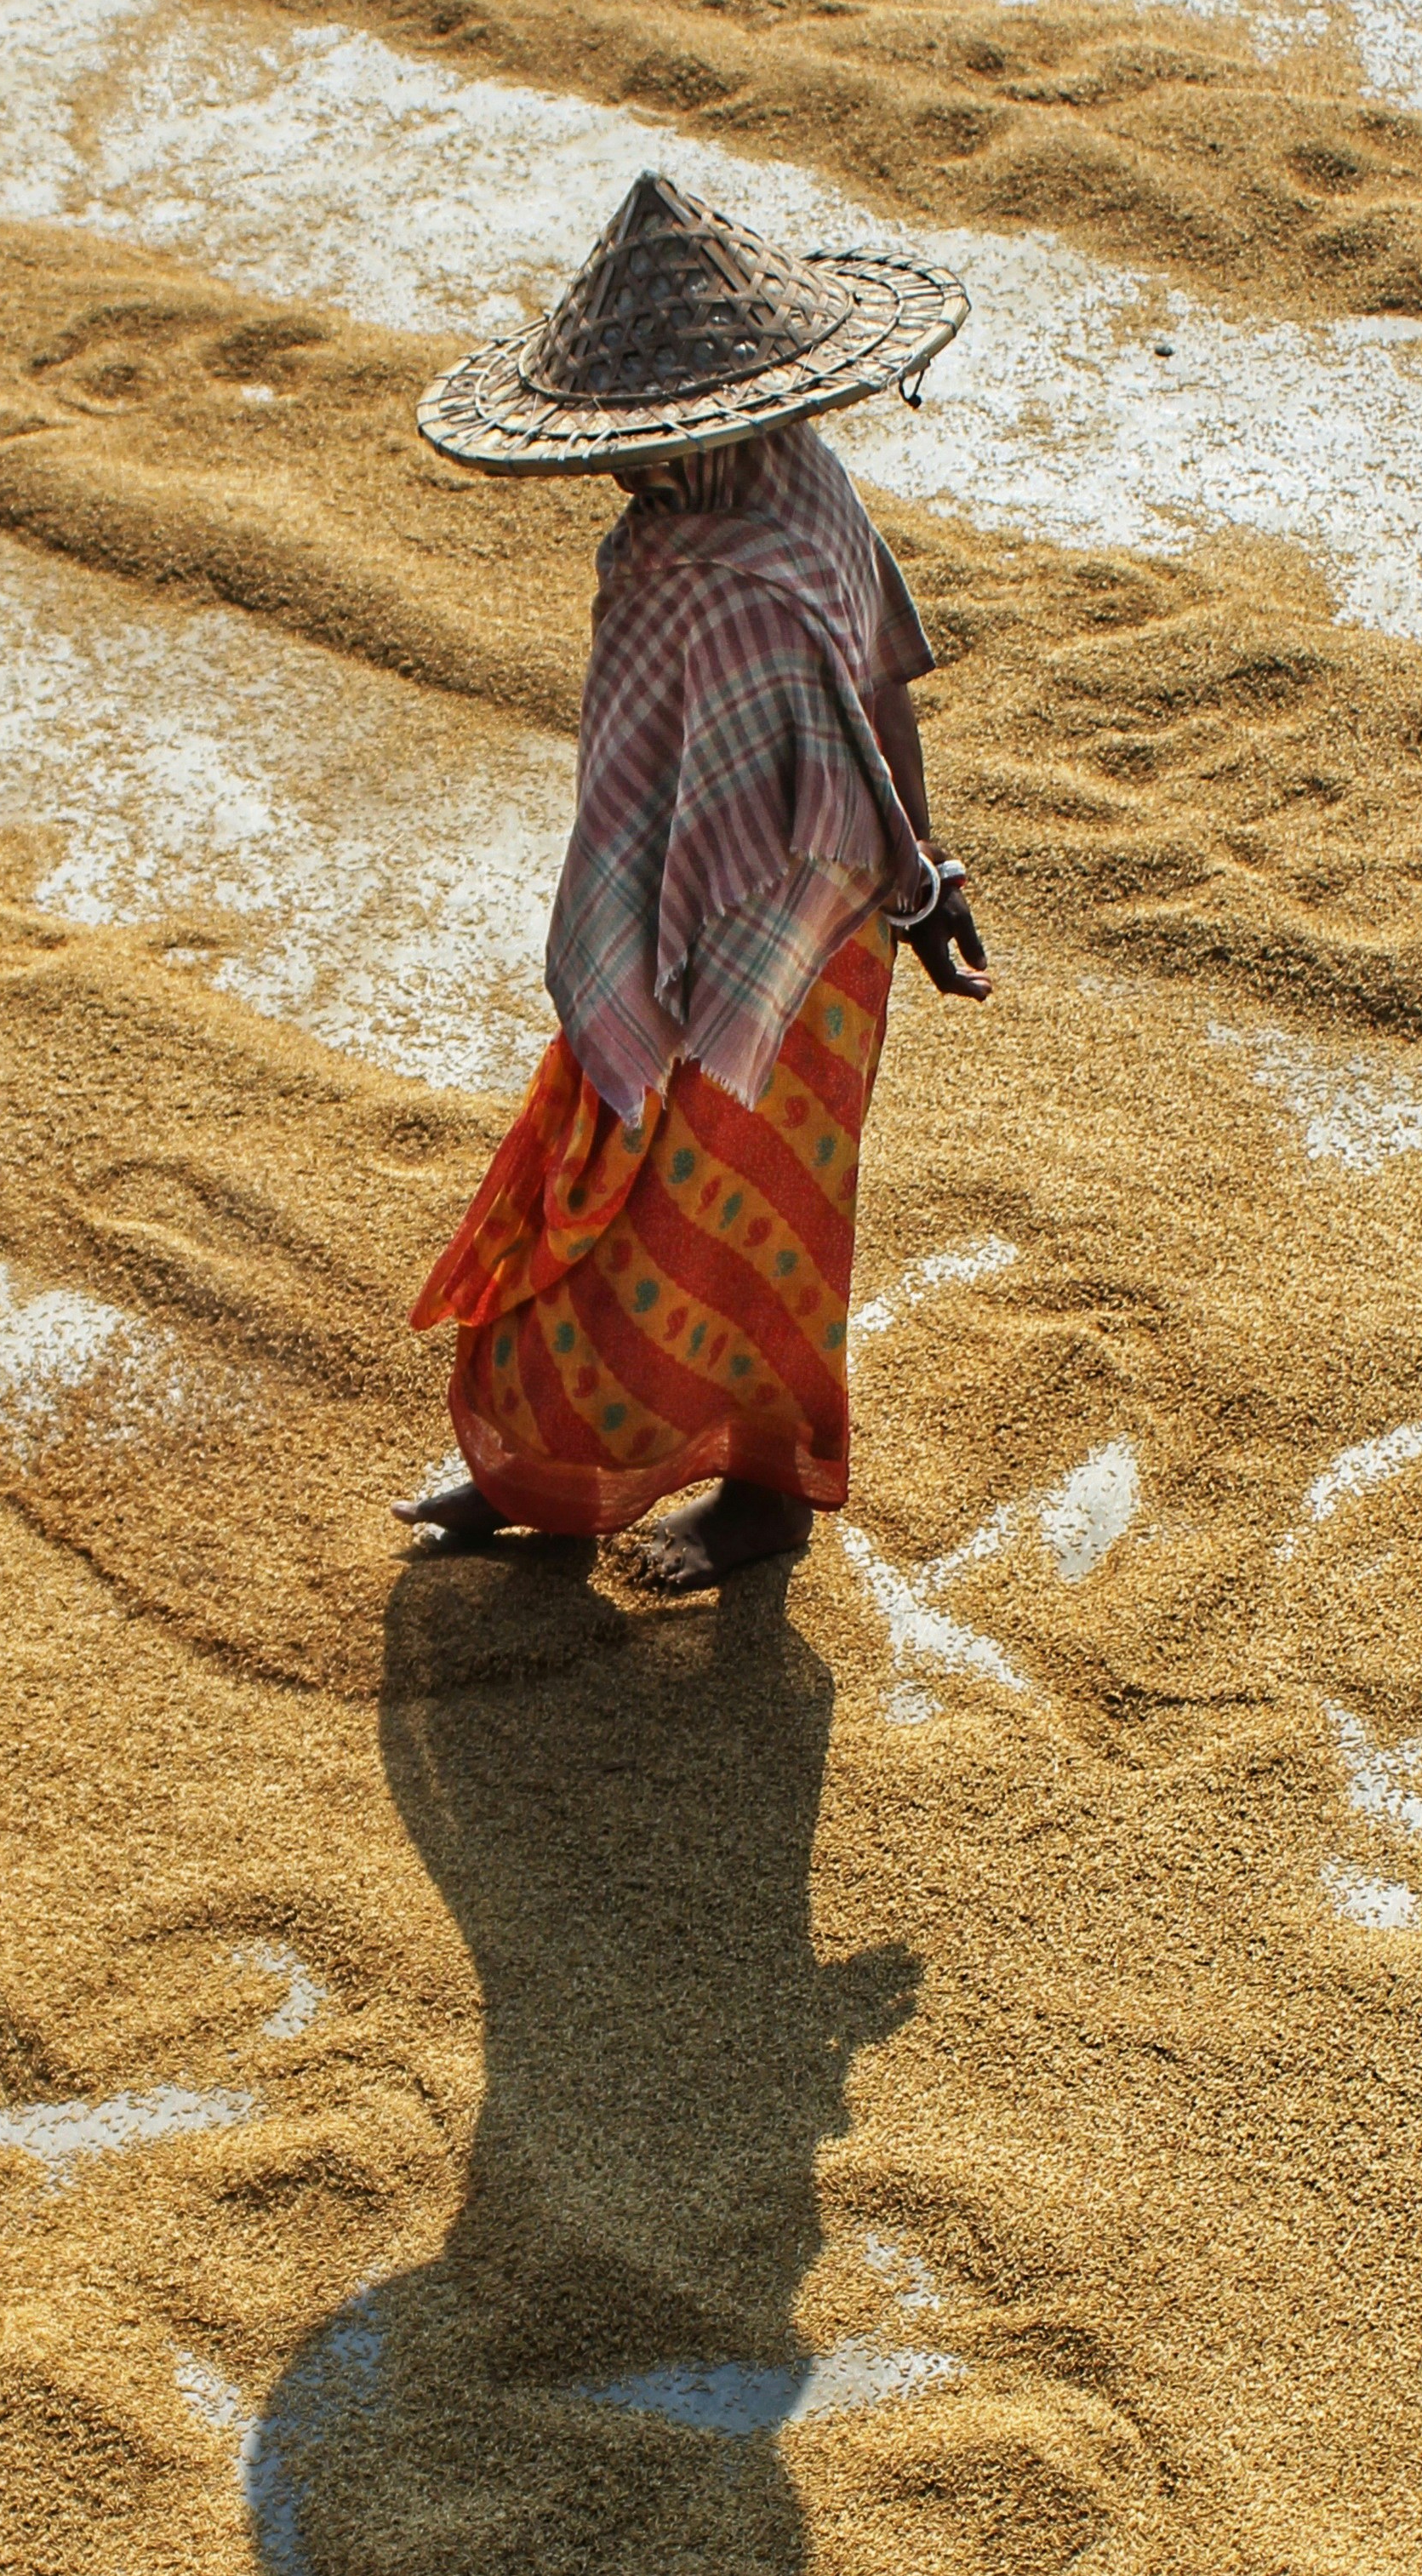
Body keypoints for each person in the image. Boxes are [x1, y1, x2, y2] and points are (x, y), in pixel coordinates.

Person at [398, 172, 991, 1598]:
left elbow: (866, 694)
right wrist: (922, 881)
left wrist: (919, 883)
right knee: (626, 1182)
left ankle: (759, 1492)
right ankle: (545, 1464)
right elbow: (873, 689)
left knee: (733, 1214)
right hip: (783, 922)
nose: (615, 469)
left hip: (795, 948)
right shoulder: (777, 496)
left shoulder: (729, 549)